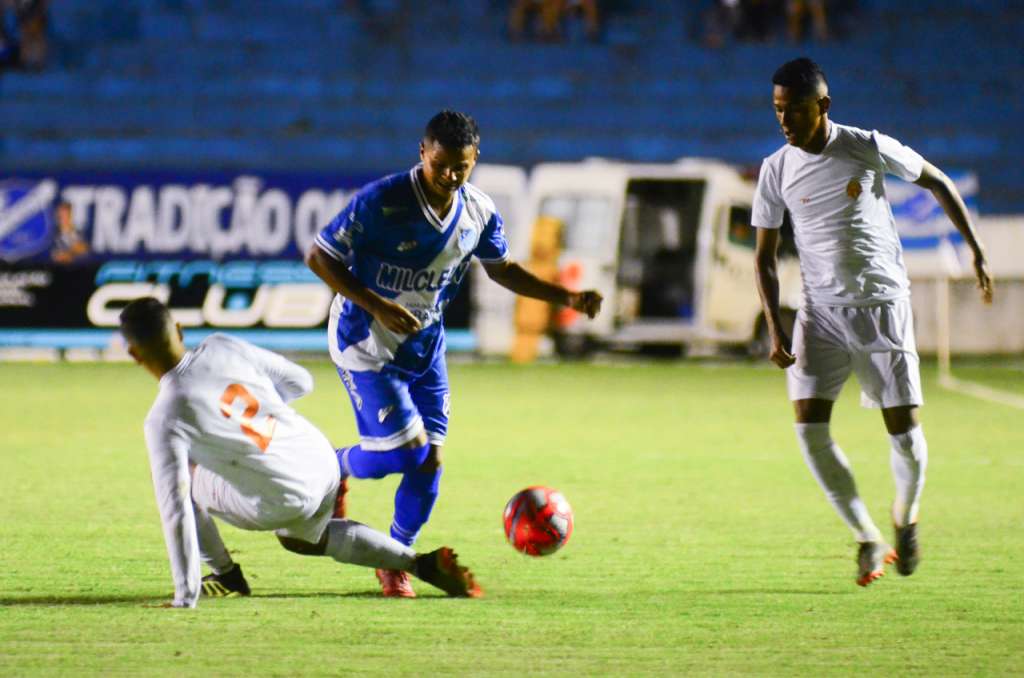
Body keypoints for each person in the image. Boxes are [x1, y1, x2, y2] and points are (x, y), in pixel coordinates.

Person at [306, 109, 602, 597]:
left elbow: (502, 269)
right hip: (366, 341)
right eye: (439, 164)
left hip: (425, 349)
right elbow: (320, 256)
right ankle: (334, 466)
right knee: (402, 453)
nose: (448, 176)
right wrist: (377, 303)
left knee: (430, 462)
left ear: (474, 159)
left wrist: (565, 298)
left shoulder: (479, 211)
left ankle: (395, 559)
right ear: (422, 153)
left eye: (460, 167)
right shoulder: (382, 201)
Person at [752, 58, 992, 587]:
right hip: (818, 314)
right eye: (777, 111)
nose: (785, 121)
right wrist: (776, 327)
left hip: (882, 307)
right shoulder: (775, 169)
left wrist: (974, 250)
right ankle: (866, 536)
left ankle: (905, 517)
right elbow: (765, 256)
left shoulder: (866, 146)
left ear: (824, 106)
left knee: (903, 433)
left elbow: (939, 182)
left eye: (794, 110)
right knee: (808, 427)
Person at [120, 297, 482, 608]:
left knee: (184, 481)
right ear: (179, 330)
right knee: (301, 540)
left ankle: (227, 577)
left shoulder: (164, 417)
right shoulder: (221, 345)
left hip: (286, 495)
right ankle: (420, 563)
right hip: (320, 457)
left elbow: (175, 507)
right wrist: (268, 411)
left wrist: (185, 596)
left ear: (135, 354)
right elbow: (301, 382)